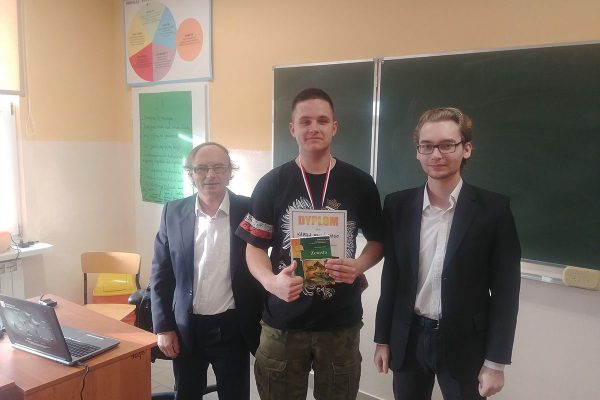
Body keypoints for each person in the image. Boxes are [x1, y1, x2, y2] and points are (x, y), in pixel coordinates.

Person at [236, 88, 384, 400]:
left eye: (322, 120)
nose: (313, 128)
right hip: (283, 321)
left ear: (334, 127)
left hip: (340, 322)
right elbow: (254, 246)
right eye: (305, 121)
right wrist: (271, 282)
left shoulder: (360, 183)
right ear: (293, 129)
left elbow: (378, 241)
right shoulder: (271, 183)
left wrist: (358, 266)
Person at [374, 107, 521, 400]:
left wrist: (496, 362)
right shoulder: (397, 206)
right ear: (418, 152)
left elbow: (506, 291)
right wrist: (383, 339)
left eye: (447, 145)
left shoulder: (494, 210)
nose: (436, 155)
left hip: (466, 344)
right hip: (409, 338)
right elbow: (392, 278)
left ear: (466, 149)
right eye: (427, 146)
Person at [150, 142, 263, 400]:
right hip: (186, 328)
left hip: (233, 327)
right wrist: (163, 327)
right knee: (187, 394)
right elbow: (160, 274)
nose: (210, 175)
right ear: (191, 173)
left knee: (235, 395)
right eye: (201, 168)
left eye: (218, 167)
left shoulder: (250, 210)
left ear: (230, 172)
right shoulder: (172, 212)